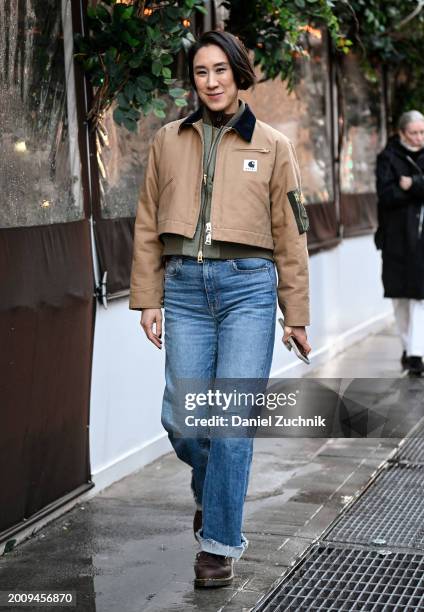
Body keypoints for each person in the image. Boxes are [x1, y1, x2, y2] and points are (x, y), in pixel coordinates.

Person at [129, 30, 311, 587]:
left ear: (239, 73)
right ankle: (215, 493)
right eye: (201, 72)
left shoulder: (274, 146)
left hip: (248, 290)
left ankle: (218, 546)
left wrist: (295, 313)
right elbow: (145, 222)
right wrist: (147, 298)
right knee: (184, 422)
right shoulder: (167, 140)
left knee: (230, 424)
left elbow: (291, 235)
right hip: (183, 287)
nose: (210, 82)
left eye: (220, 71)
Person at [376, 110, 424, 377]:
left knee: (420, 296)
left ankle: (417, 354)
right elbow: (386, 195)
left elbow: (403, 189)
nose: (419, 138)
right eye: (414, 133)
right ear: (402, 133)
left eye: (422, 132)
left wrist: (412, 184)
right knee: (400, 299)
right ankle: (408, 348)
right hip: (395, 238)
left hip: (421, 237)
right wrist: (412, 190)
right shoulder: (388, 157)